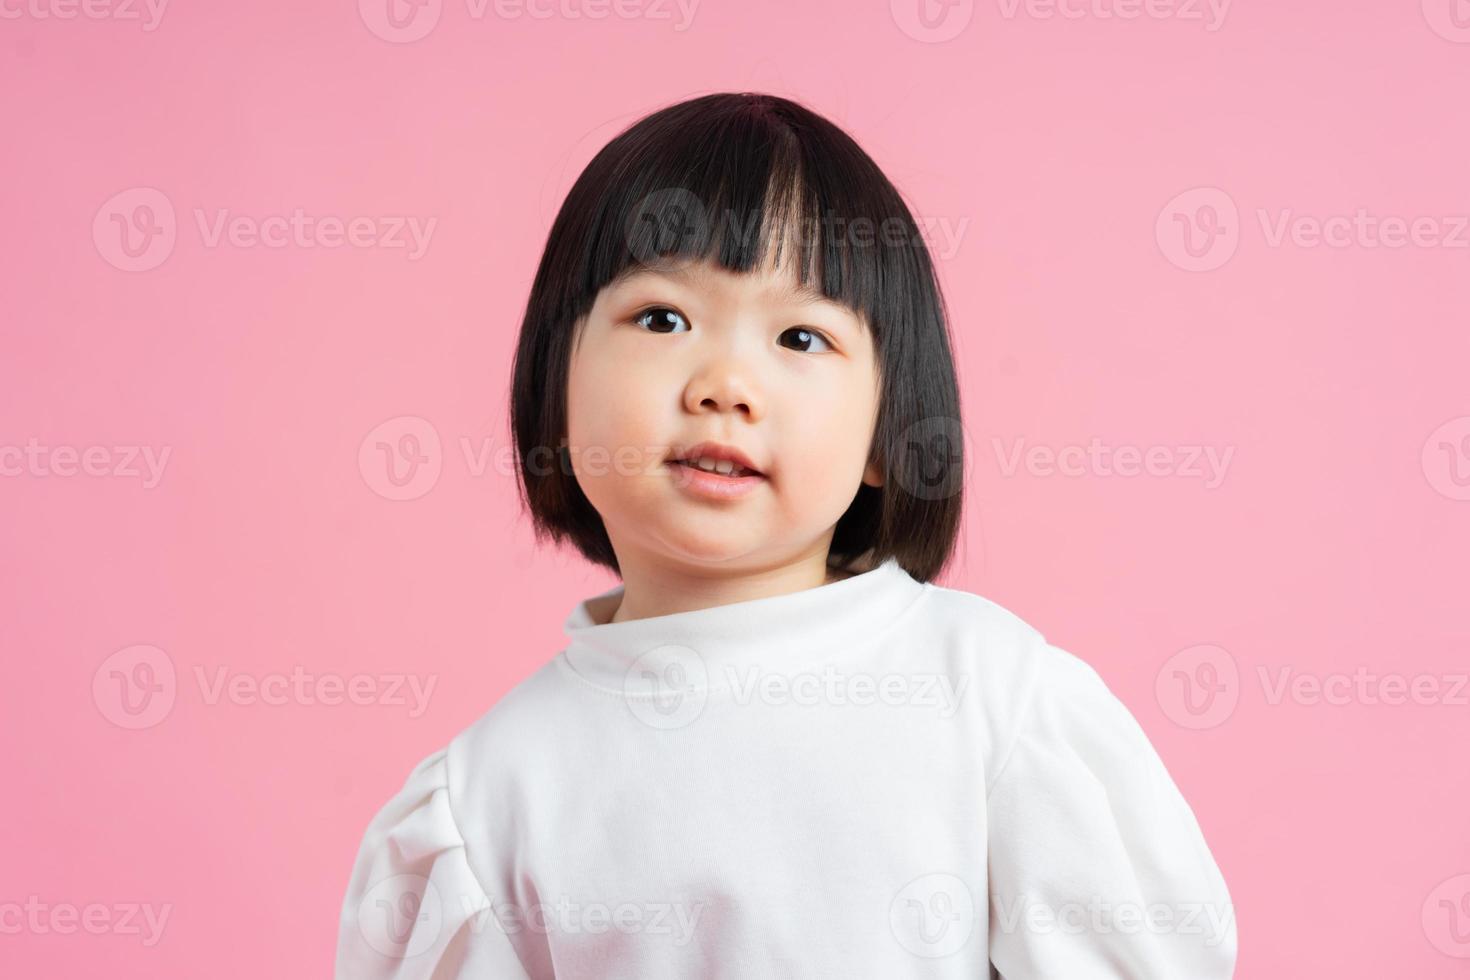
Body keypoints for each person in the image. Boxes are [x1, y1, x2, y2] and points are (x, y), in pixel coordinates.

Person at [334, 92, 1237, 978]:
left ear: (889, 435)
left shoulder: (990, 700)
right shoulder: (493, 794)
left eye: (801, 337)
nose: (725, 381)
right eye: (662, 319)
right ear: (556, 386)